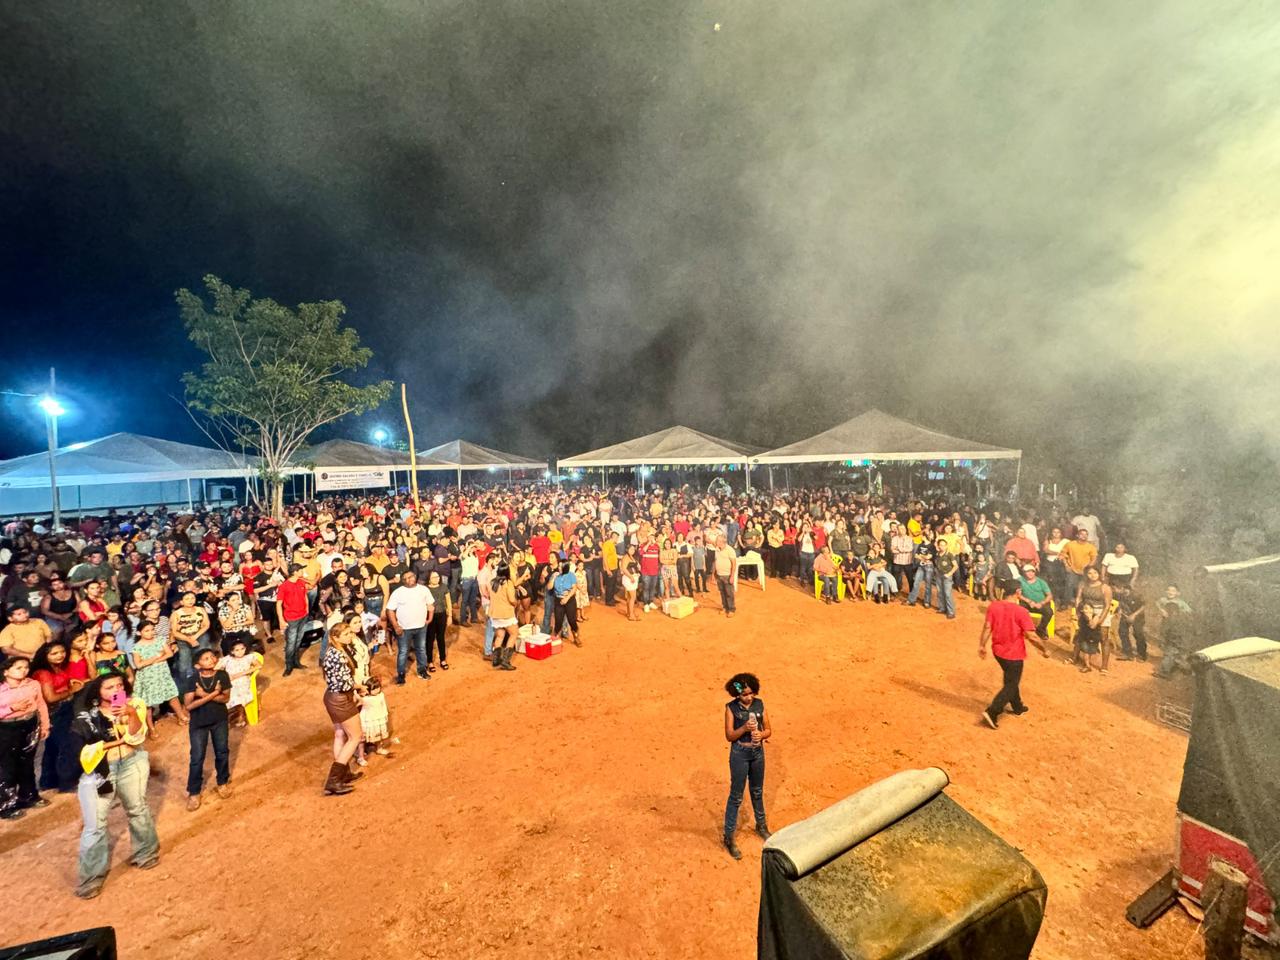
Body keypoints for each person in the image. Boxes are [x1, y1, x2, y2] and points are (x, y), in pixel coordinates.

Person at [67, 671, 158, 898]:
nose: (117, 690)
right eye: (109, 687)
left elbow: (136, 738)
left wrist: (131, 714)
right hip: (100, 771)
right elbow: (82, 751)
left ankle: (146, 853)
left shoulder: (135, 704)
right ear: (97, 692)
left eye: (119, 685)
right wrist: (115, 742)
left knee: (138, 809)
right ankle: (90, 879)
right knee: (95, 825)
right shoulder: (87, 716)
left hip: (132, 762)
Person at [722, 672, 771, 860]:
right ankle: (729, 836)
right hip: (739, 755)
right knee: (736, 796)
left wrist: (761, 734)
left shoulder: (760, 705)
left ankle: (761, 826)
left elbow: (768, 729)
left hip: (758, 754)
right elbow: (729, 736)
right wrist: (744, 728)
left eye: (751, 693)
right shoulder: (731, 708)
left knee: (757, 791)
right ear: (737, 694)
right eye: (744, 694)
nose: (748, 697)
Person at [978, 600, 1049, 729]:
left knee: (1011, 678)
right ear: (1018, 592)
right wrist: (1044, 650)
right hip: (1014, 655)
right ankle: (992, 711)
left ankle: (1017, 706)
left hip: (998, 652)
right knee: (1011, 684)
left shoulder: (993, 606)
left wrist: (982, 645)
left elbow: (987, 627)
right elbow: (1032, 636)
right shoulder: (1021, 611)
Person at [31, 640, 85, 792]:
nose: (60, 655)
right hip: (56, 712)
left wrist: (69, 684)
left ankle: (49, 781)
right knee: (66, 746)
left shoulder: (57, 667)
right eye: (54, 653)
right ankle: (66, 782)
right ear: (45, 656)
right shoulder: (44, 673)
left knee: (53, 747)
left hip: (64, 709)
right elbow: (50, 698)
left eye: (62, 652)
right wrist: (72, 690)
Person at [0, 655, 50, 819]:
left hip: (30, 723)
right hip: (7, 728)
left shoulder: (33, 684)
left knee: (27, 762)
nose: (24, 671)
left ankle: (28, 796)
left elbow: (41, 704)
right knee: (7, 766)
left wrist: (45, 725)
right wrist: (11, 709)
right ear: (6, 671)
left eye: (26, 667)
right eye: (18, 668)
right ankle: (7, 805)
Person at [182, 648, 232, 810]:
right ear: (197, 665)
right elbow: (189, 706)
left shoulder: (222, 675)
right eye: (206, 658)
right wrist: (214, 693)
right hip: (199, 724)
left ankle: (222, 782)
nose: (211, 659)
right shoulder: (192, 679)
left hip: (219, 720)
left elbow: (226, 698)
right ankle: (194, 792)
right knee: (197, 758)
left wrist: (203, 694)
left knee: (222, 752)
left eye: (212, 656)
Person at [320, 623, 364, 795]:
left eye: (350, 633)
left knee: (340, 734)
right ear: (335, 637)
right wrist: (360, 687)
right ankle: (334, 780)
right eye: (346, 634)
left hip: (332, 697)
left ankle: (343, 774)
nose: (350, 635)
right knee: (355, 736)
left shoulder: (333, 651)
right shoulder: (339, 655)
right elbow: (346, 683)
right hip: (341, 700)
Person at [129, 620, 189, 736]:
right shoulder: (137, 647)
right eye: (147, 631)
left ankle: (181, 716)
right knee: (147, 703)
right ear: (139, 633)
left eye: (152, 630)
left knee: (172, 696)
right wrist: (156, 656)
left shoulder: (160, 640)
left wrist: (155, 660)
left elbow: (169, 654)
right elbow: (138, 665)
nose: (150, 632)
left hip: (162, 674)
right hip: (147, 678)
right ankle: (151, 727)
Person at [386, 569, 434, 685]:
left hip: (421, 626)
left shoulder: (424, 589)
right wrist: (396, 626)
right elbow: (390, 610)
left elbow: (430, 604)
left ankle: (422, 671)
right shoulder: (398, 592)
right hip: (404, 628)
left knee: (421, 649)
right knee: (403, 651)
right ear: (403, 581)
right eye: (405, 578)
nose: (409, 579)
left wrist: (430, 618)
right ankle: (401, 675)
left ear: (415, 576)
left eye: (411, 576)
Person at [1073, 566, 1113, 674]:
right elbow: (1078, 598)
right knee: (1081, 635)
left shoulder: (1105, 588)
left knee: (1104, 638)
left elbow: (1107, 606)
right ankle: (1075, 658)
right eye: (1090, 573)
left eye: (1095, 572)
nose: (1093, 575)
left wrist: (1099, 620)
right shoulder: (1082, 584)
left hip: (1101, 612)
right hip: (1086, 611)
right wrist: (1078, 613)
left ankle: (1104, 666)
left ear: (1099, 574)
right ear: (1086, 574)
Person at [217, 639, 263, 727]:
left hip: (243, 680)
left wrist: (241, 674)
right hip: (229, 680)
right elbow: (216, 669)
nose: (240, 652)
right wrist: (225, 676)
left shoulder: (249, 657)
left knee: (237, 692)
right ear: (232, 651)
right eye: (237, 650)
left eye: (242, 649)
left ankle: (241, 715)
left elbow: (259, 665)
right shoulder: (227, 659)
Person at [276, 565, 311, 676]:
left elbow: (305, 596)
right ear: (295, 572)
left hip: (303, 616)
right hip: (291, 618)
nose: (303, 571)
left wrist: (307, 609)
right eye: (301, 570)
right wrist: (281, 620)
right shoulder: (284, 586)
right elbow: (279, 604)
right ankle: (289, 665)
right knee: (291, 643)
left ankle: (296, 662)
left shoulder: (301, 582)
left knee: (298, 640)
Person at [1154, 584, 1193, 679]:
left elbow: (1189, 612)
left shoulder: (1181, 603)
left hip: (1176, 628)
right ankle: (1185, 668)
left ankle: (1165, 671)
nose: (1170, 592)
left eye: (1173, 591)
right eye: (1168, 590)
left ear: (1178, 593)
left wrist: (1179, 615)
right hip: (1166, 627)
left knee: (1171, 649)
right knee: (1171, 649)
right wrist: (1162, 610)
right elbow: (1157, 603)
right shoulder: (1164, 600)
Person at [487, 564, 519, 671]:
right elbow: (511, 599)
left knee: (500, 636)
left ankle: (496, 660)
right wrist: (516, 603)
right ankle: (505, 661)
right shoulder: (508, 583)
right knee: (514, 634)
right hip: (506, 614)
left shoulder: (492, 582)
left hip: (495, 614)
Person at [1014, 565, 1054, 640]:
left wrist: (1041, 603)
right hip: (1027, 603)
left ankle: (1041, 629)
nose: (1030, 573)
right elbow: (1018, 594)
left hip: (1040, 603)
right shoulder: (1020, 580)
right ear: (1024, 572)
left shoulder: (1041, 582)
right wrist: (1029, 601)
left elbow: (1049, 595)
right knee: (1019, 610)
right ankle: (1023, 630)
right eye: (1028, 572)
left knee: (1049, 612)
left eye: (1032, 571)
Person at [424, 569, 451, 672]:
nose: (436, 579)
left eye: (438, 577)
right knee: (429, 639)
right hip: (429, 616)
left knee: (441, 638)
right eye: (434, 577)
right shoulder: (425, 589)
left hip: (442, 615)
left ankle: (442, 660)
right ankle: (429, 661)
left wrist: (450, 616)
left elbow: (448, 601)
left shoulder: (443, 587)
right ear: (429, 579)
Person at [552, 560, 582, 646]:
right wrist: (553, 578)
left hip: (569, 600)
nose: (559, 568)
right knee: (558, 621)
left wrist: (566, 598)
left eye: (561, 566)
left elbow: (574, 588)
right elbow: (549, 587)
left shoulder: (571, 575)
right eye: (559, 566)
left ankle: (576, 637)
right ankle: (556, 640)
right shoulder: (556, 575)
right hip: (558, 601)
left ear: (565, 567)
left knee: (572, 620)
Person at [713, 534, 738, 617]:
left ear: (722, 542)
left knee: (729, 593)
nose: (716, 542)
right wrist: (713, 574)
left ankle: (731, 609)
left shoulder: (730, 550)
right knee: (722, 592)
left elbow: (734, 564)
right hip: (719, 575)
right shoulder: (717, 549)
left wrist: (732, 576)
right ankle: (725, 607)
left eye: (717, 540)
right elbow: (715, 561)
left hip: (727, 575)